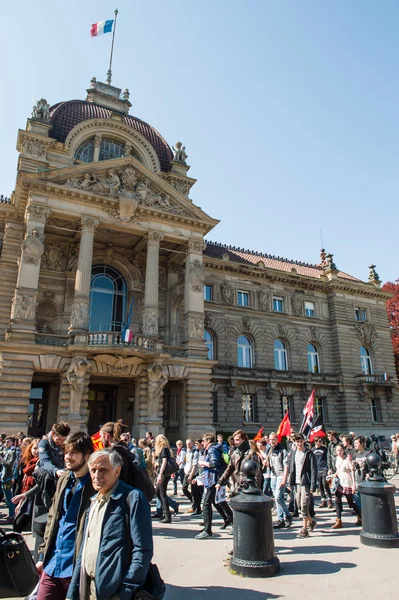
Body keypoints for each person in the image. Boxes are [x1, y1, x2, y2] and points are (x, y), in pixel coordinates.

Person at [66, 449, 153, 600]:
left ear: (117, 471)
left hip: (115, 592)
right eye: (93, 470)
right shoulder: (93, 502)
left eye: (103, 470)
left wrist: (125, 591)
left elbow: (143, 550)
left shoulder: (133, 498)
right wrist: (72, 593)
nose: (97, 475)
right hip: (89, 589)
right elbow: (83, 551)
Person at [34, 433, 95, 600]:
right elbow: (53, 518)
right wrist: (42, 554)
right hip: (53, 561)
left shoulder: (95, 484)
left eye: (74, 453)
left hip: (76, 566)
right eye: (66, 452)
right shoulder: (64, 479)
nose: (68, 457)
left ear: (87, 455)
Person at [195, 433, 233, 539]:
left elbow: (214, 463)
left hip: (213, 480)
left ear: (207, 441)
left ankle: (207, 531)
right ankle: (232, 521)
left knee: (206, 504)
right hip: (213, 479)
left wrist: (203, 463)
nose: (202, 443)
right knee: (219, 502)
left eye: (203, 440)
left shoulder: (212, 450)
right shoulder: (214, 449)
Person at [288, 433, 317, 539]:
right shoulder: (294, 452)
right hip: (296, 483)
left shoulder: (309, 453)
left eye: (300, 441)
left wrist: (313, 485)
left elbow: (314, 470)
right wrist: (290, 483)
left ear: (303, 441)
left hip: (305, 482)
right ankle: (311, 522)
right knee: (299, 506)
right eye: (297, 442)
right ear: (294, 443)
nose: (299, 444)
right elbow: (291, 468)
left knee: (304, 505)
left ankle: (304, 529)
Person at [330, 444, 362, 529]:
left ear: (343, 451)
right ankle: (338, 520)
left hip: (347, 481)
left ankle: (360, 515)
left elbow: (352, 471)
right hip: (340, 481)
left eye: (340, 450)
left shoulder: (347, 459)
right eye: (337, 451)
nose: (339, 452)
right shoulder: (337, 459)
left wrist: (354, 484)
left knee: (350, 502)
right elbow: (338, 470)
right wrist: (334, 475)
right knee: (337, 499)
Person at [266, 432, 292, 529]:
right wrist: (266, 463)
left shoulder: (283, 451)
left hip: (280, 475)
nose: (272, 441)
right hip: (273, 476)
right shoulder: (269, 450)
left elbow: (286, 466)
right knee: (277, 498)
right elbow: (269, 463)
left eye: (273, 439)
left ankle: (288, 515)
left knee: (278, 497)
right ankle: (280, 519)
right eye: (270, 439)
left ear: (277, 440)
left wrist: (285, 479)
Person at [154, 434, 175, 523]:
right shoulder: (165, 448)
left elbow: (164, 461)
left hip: (163, 474)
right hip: (163, 473)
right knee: (158, 493)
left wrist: (161, 474)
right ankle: (165, 513)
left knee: (162, 494)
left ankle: (167, 515)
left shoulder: (163, 448)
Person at [311, 437, 333, 508]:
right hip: (317, 469)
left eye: (321, 441)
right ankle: (323, 500)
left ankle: (329, 500)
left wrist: (329, 467)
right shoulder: (312, 450)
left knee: (325, 484)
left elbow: (329, 457)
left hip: (324, 468)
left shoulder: (324, 449)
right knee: (320, 485)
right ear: (315, 442)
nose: (320, 442)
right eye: (319, 441)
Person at [0, 437, 17, 524]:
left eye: (8, 441)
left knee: (8, 496)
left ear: (13, 443)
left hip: (8, 477)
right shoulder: (6, 450)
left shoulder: (12, 452)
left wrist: (1, 460)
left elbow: (9, 465)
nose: (6, 442)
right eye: (6, 441)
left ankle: (11, 515)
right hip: (3, 476)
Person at [182, 439, 201, 514]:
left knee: (194, 492)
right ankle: (194, 504)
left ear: (192, 444)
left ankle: (197, 508)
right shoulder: (186, 451)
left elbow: (194, 465)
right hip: (187, 473)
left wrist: (191, 475)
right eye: (187, 444)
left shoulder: (195, 452)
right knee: (184, 488)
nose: (188, 446)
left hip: (193, 474)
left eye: (189, 444)